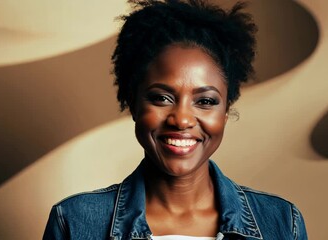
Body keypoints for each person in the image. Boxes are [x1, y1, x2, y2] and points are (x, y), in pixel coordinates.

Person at [43, 0, 308, 239]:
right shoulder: (74, 223)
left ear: (226, 111)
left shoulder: (282, 223)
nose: (181, 119)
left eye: (205, 101)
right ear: (133, 103)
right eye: (161, 98)